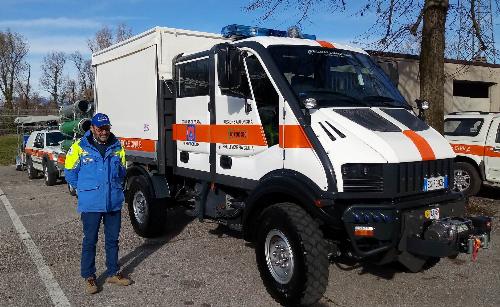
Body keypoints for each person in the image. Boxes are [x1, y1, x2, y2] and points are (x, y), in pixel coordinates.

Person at [65, 113, 131, 294]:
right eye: (100, 128)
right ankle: (89, 277)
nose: (104, 132)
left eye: (106, 128)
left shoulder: (117, 146)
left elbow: (123, 170)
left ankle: (112, 272)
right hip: (91, 204)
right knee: (90, 241)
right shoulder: (79, 147)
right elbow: (69, 172)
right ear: (92, 128)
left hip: (113, 202)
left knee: (112, 240)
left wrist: (115, 187)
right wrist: (85, 190)